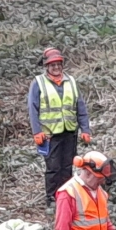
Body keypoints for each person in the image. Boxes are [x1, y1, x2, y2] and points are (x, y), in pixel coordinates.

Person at [28, 47, 91, 203]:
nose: (56, 67)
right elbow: (33, 108)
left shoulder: (71, 81)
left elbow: (80, 107)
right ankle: (51, 198)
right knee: (53, 168)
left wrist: (85, 129)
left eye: (58, 64)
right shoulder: (38, 83)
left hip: (69, 131)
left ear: (62, 65)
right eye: (52, 65)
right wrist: (37, 131)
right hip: (49, 134)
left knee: (67, 167)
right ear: (47, 66)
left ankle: (67, 197)